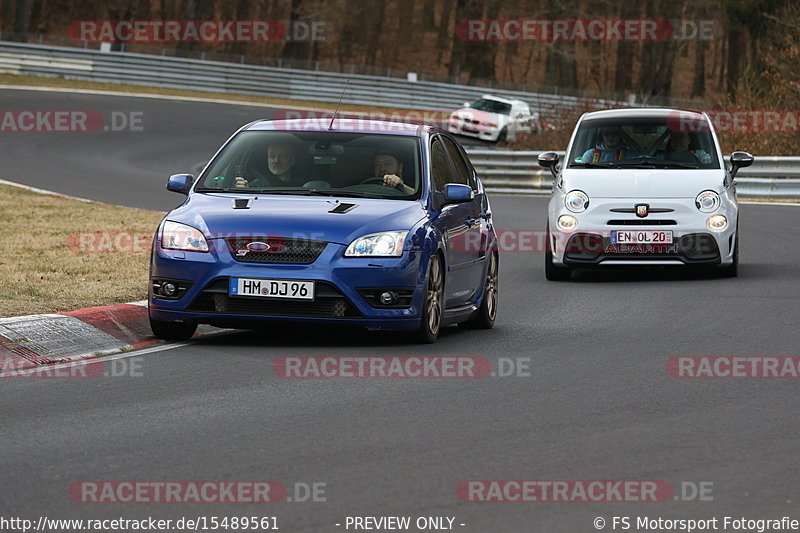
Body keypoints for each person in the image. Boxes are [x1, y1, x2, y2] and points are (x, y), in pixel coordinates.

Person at [234, 142, 307, 188]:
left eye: (282, 156)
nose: (276, 161)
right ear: (267, 160)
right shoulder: (260, 185)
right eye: (272, 156)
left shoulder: (305, 185)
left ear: (292, 160)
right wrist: (245, 190)